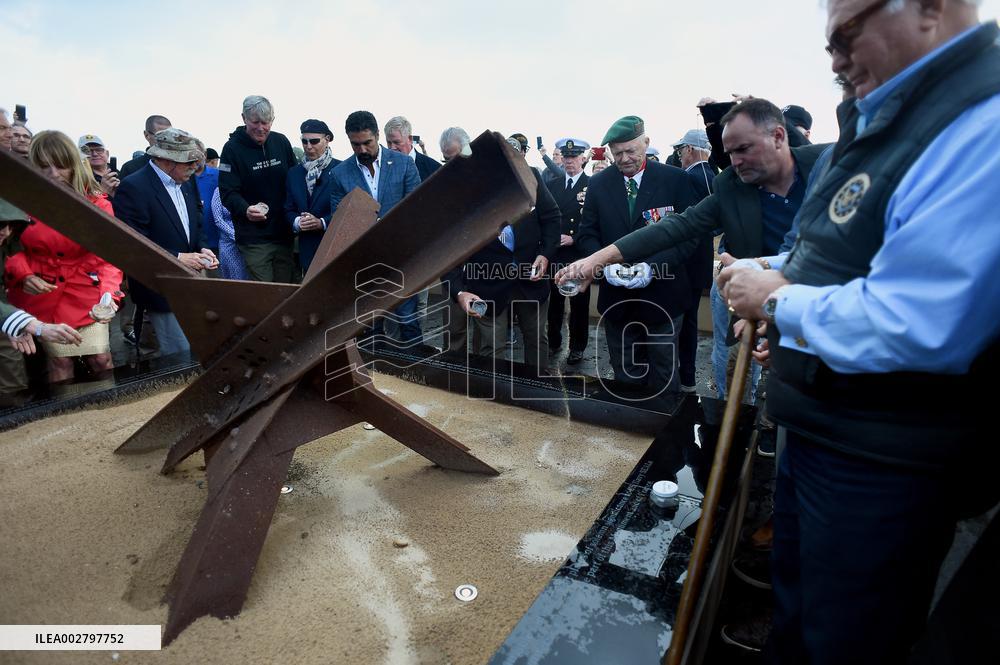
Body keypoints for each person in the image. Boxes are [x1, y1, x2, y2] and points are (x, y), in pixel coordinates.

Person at [717, 3, 1000, 663]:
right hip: (825, 429)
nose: (835, 60)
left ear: (930, 8)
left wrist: (781, 303)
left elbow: (920, 321)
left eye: (846, 35)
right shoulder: (892, 118)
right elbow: (840, 251)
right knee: (799, 612)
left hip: (878, 460)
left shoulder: (979, 125)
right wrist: (774, 274)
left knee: (842, 639)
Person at [574, 115, 701, 396]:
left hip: (664, 296)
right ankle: (630, 434)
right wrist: (604, 266)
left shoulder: (675, 180)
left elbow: (689, 237)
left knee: (664, 376)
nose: (624, 158)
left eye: (631, 150)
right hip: (618, 301)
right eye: (617, 153)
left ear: (646, 143)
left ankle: (666, 435)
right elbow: (587, 235)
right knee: (625, 377)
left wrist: (651, 268)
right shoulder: (598, 185)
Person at [4, 130, 124, 383]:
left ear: (74, 166)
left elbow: (109, 256)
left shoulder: (97, 203)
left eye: (61, 166)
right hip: (39, 292)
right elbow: (10, 247)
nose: (54, 174)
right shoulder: (19, 202)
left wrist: (109, 293)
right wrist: (22, 274)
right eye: (44, 167)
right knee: (58, 363)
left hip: (86, 291)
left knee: (101, 359)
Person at [443, 135, 559, 372]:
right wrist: (459, 290)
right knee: (490, 350)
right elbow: (450, 247)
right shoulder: (464, 193)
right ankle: (491, 397)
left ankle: (539, 397)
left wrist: (545, 254)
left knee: (536, 342)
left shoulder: (533, 178)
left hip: (531, 281)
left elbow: (552, 218)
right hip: (487, 284)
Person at [113, 129, 218, 357]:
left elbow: (196, 220)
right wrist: (178, 257)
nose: (194, 167)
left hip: (192, 283)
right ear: (166, 160)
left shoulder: (187, 181)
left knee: (201, 346)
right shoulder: (134, 187)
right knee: (179, 352)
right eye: (189, 161)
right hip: (161, 288)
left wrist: (202, 247)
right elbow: (134, 243)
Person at [328, 111, 421, 345]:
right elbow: (338, 220)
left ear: (378, 135)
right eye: (355, 144)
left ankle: (418, 374)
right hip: (364, 263)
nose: (362, 150)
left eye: (367, 143)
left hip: (401, 259)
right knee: (369, 327)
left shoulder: (403, 163)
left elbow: (417, 209)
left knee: (408, 320)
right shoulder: (339, 174)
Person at [219, 95, 297, 283]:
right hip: (254, 238)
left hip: (284, 234)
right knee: (266, 293)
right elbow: (227, 192)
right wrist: (246, 209)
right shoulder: (231, 149)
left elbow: (295, 181)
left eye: (266, 122)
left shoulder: (281, 142)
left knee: (287, 288)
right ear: (244, 118)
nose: (261, 128)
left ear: (272, 120)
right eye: (255, 122)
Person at [546, 138, 591, 365]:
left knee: (579, 304)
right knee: (554, 302)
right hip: (556, 254)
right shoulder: (553, 185)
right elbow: (547, 218)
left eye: (574, 157)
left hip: (579, 254)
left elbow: (594, 223)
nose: (570, 161)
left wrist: (574, 238)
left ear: (583, 158)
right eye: (566, 157)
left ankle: (577, 347)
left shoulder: (591, 185)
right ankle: (554, 342)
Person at [284, 119, 341, 271]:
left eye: (314, 141)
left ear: (327, 139)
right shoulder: (294, 173)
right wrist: (297, 222)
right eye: (304, 141)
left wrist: (322, 222)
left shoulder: (342, 170)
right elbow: (288, 208)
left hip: (335, 248)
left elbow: (348, 209)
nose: (308, 146)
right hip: (306, 249)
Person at [384, 116, 440, 182]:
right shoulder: (382, 169)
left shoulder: (434, 169)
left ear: (410, 139)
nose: (392, 148)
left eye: (397, 142)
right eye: (389, 143)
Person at [119, 115, 172, 180]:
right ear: (147, 135)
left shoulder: (180, 166)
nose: (167, 141)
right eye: (161, 136)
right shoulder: (131, 168)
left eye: (171, 136)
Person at [78, 134, 120, 198]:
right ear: (80, 156)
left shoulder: (121, 174)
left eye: (99, 150)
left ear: (107, 153)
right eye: (88, 151)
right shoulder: (79, 178)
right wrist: (102, 191)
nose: (95, 154)